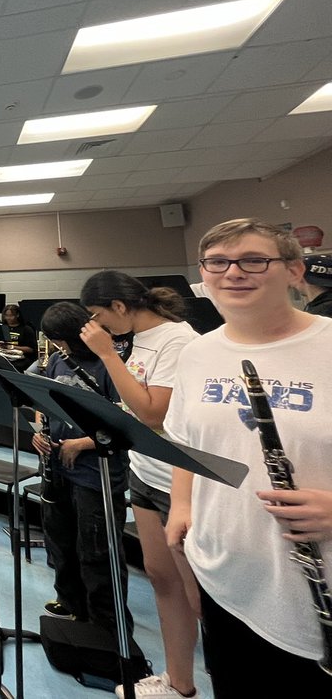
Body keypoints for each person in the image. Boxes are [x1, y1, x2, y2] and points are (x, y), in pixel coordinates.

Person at [164, 219, 332, 697]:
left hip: (315, 580)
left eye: (254, 260)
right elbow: (184, 440)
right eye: (218, 262)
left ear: (294, 270)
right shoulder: (198, 354)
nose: (233, 273)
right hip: (227, 572)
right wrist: (183, 505)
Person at [79, 270, 199, 699]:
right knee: (160, 577)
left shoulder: (178, 340)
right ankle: (178, 682)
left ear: (119, 307)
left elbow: (154, 414)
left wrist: (108, 355)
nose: (98, 325)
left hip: (179, 481)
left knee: (198, 595)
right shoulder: (140, 339)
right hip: (145, 471)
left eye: (99, 315)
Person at [31, 302, 131, 635]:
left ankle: (103, 626)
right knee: (60, 543)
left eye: (59, 339)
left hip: (95, 472)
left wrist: (81, 443)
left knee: (97, 552)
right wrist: (39, 431)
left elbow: (125, 423)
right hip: (58, 466)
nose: (57, 347)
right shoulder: (59, 360)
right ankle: (72, 604)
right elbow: (44, 402)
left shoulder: (109, 364)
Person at [1, 304, 37, 370]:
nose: (8, 318)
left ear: (17, 315)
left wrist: (13, 347)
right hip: (5, 356)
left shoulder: (26, 329)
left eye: (11, 316)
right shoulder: (3, 328)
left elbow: (31, 349)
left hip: (22, 359)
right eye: (6, 316)